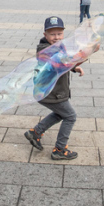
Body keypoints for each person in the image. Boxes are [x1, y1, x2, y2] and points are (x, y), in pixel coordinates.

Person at [23, 16, 84, 161]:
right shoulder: (45, 50)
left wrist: (74, 68)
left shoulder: (59, 46)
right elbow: (60, 63)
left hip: (52, 91)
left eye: (59, 33)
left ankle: (35, 132)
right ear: (45, 35)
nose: (56, 37)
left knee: (60, 113)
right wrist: (87, 53)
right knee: (70, 116)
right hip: (51, 93)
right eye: (52, 34)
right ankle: (59, 149)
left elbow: (64, 63)